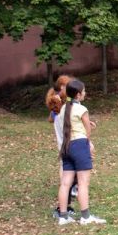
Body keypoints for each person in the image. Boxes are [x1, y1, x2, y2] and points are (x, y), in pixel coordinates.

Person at [57, 80, 106, 225]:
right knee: (83, 183)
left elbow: (68, 126)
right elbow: (87, 131)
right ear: (78, 95)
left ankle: (63, 216)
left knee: (65, 183)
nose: (85, 93)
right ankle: (85, 217)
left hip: (66, 147)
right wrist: (88, 142)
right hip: (79, 145)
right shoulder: (82, 109)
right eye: (84, 91)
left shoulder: (63, 110)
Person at [46, 75, 78, 218]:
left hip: (68, 146)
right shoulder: (60, 108)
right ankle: (61, 209)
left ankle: (64, 207)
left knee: (68, 179)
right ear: (62, 88)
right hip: (67, 146)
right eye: (68, 86)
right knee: (65, 179)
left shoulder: (62, 105)